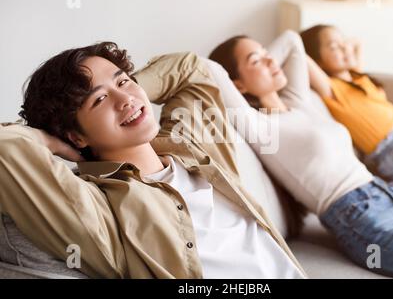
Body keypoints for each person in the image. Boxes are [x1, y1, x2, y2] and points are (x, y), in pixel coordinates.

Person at [0, 42, 308, 279]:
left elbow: (191, 68)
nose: (125, 99)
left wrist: (129, 97)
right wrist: (48, 139)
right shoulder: (99, 208)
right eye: (99, 100)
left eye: (123, 82)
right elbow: (6, 149)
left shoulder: (190, 144)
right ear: (76, 136)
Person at [208, 29, 393, 278]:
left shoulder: (298, 102)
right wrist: (252, 73)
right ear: (236, 84)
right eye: (256, 61)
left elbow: (292, 40)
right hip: (366, 221)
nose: (271, 60)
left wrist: (262, 62)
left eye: (267, 53)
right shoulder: (258, 126)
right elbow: (209, 69)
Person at [300, 24, 393, 191]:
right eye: (334, 46)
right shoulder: (332, 89)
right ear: (317, 60)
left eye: (343, 41)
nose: (344, 47)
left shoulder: (357, 77)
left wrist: (341, 45)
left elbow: (357, 42)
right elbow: (298, 52)